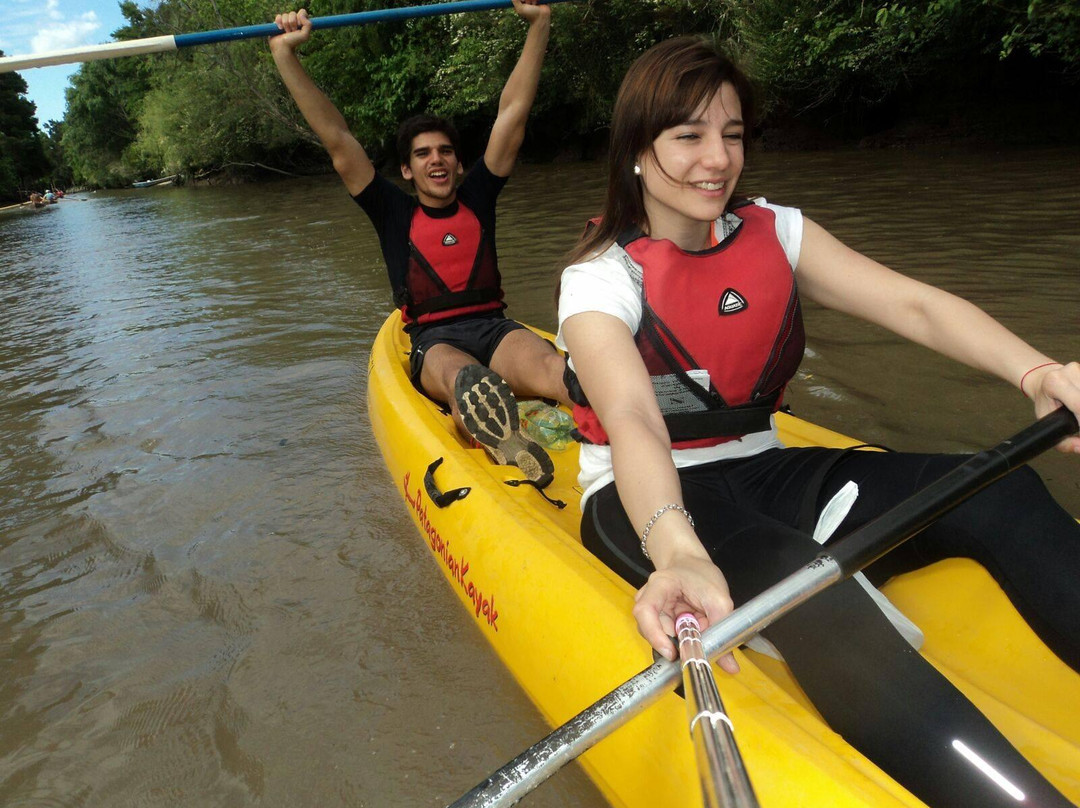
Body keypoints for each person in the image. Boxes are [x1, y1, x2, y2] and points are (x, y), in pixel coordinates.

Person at [557, 36, 1080, 808]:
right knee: (811, 593)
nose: (718, 159)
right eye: (689, 135)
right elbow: (633, 418)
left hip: (769, 467)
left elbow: (915, 305)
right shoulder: (600, 277)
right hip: (643, 501)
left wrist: (1036, 372)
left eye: (732, 135)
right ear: (638, 149)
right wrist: (677, 549)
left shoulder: (778, 232)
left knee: (1000, 491)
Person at [270, 2, 570, 487]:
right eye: (423, 153)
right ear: (407, 170)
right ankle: (481, 421)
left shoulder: (479, 195)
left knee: (555, 370)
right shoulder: (393, 211)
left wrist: (539, 24)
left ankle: (619, 420)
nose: (437, 160)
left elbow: (513, 112)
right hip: (435, 342)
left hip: (495, 328)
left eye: (446, 151)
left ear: (457, 163)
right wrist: (285, 55)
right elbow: (336, 136)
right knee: (465, 379)